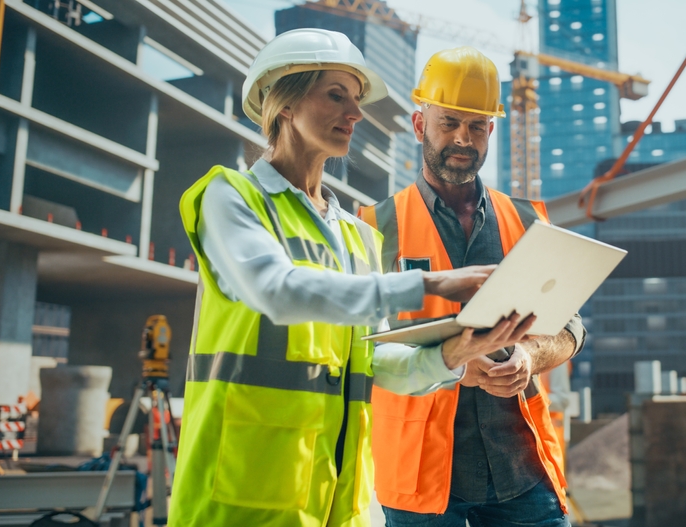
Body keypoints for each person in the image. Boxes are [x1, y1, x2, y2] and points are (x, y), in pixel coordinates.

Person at [168, 30, 529, 527]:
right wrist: (429, 286)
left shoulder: (358, 235)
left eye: (356, 101)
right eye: (336, 95)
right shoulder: (230, 198)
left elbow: (374, 359)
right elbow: (275, 290)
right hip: (241, 492)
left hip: (342, 501)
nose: (355, 114)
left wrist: (454, 355)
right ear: (284, 104)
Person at [359, 47, 585, 527]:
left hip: (522, 474)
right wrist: (455, 368)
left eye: (477, 126)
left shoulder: (525, 220)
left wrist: (529, 356)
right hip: (420, 481)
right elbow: (360, 351)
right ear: (421, 126)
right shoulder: (375, 227)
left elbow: (571, 329)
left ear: (491, 132)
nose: (463, 138)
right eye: (449, 123)